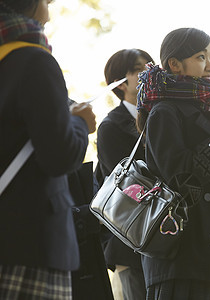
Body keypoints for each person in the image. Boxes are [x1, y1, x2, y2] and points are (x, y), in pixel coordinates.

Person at [136, 27, 210, 300]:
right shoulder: (164, 112)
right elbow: (181, 179)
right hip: (180, 260)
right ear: (175, 64)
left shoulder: (208, 110)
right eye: (201, 57)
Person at [0, 0, 96, 299]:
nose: (49, 10)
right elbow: (60, 156)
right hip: (30, 241)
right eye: (45, 1)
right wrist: (80, 123)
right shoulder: (34, 61)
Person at [95, 48, 154, 300]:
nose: (147, 74)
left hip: (163, 237)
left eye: (150, 68)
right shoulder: (110, 127)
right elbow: (125, 186)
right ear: (119, 84)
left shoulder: (161, 116)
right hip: (130, 240)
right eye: (139, 70)